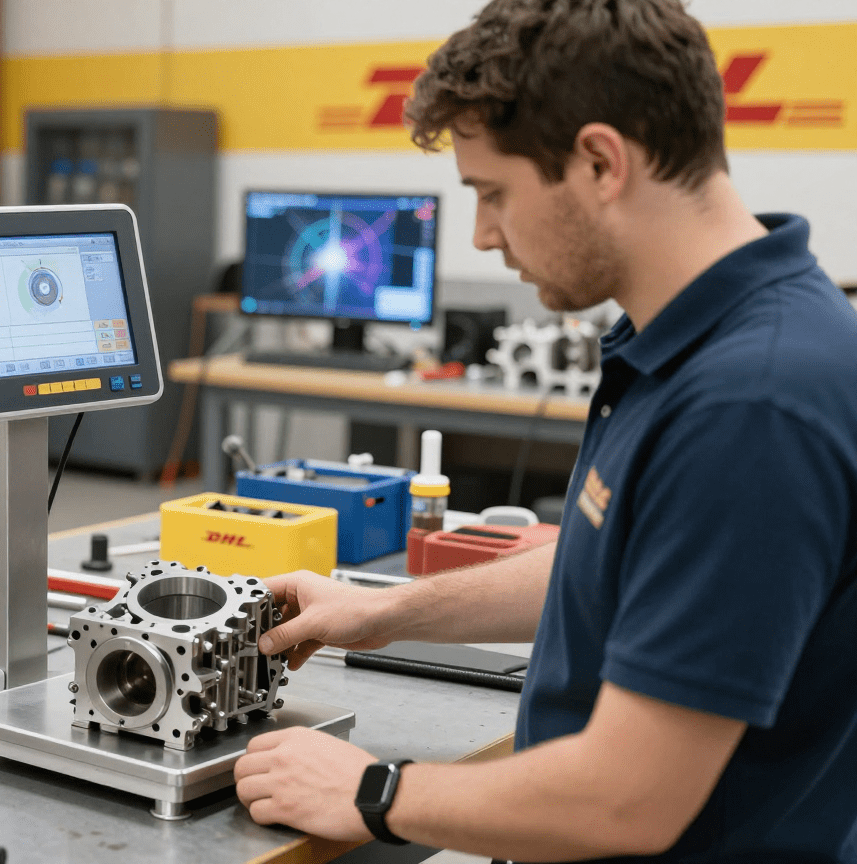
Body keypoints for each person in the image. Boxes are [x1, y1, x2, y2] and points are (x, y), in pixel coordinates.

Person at [232, 1, 857, 861]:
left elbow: (624, 802)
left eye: (493, 194)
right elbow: (619, 564)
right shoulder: (696, 338)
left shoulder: (750, 405)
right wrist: (384, 613)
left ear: (601, 161)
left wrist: (373, 791)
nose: (484, 235)